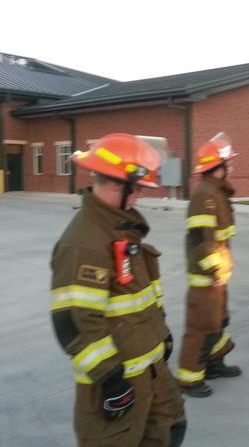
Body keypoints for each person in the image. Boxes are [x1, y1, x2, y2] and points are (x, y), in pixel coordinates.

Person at [50, 133, 186, 446]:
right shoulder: (84, 243)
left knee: (170, 427)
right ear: (116, 184)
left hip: (149, 367)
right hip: (118, 379)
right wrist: (111, 380)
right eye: (137, 188)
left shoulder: (121, 229)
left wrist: (160, 337)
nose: (139, 195)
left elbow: (136, 299)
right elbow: (72, 323)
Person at [176, 133, 241, 398]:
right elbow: (200, 238)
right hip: (207, 277)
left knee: (218, 321)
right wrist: (214, 269)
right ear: (218, 167)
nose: (232, 168)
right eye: (229, 163)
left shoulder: (216, 192)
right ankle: (189, 378)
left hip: (217, 275)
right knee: (201, 327)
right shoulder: (205, 195)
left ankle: (213, 364)